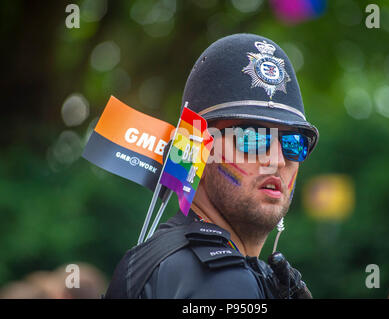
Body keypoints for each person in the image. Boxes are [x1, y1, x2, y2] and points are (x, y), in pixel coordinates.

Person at [105, 33, 319, 299]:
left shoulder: (156, 259)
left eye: (294, 143)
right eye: (251, 137)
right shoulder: (221, 280)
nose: (276, 160)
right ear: (199, 151)